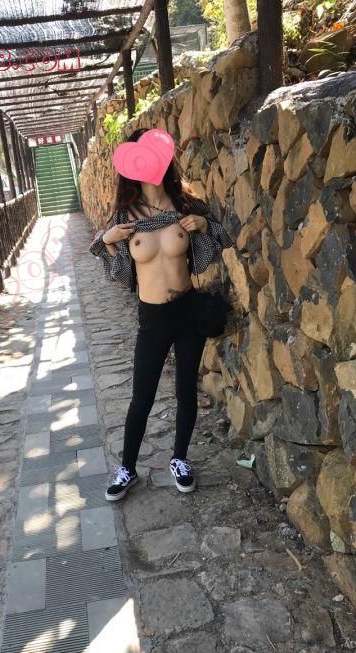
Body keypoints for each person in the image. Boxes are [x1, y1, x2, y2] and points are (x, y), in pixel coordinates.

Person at [89, 128, 233, 502]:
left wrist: (205, 225)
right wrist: (108, 240)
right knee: (142, 396)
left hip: (188, 311)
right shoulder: (126, 216)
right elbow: (113, 265)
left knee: (186, 390)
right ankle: (127, 468)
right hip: (152, 318)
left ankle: (180, 459)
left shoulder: (185, 205)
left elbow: (224, 236)